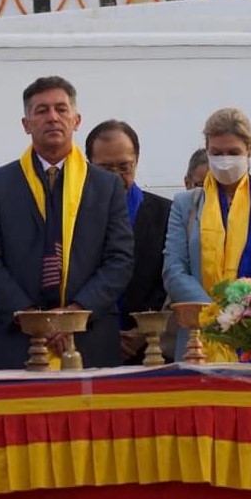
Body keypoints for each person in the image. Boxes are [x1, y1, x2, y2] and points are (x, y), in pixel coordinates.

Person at [0, 76, 135, 370]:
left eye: (61, 109)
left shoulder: (106, 186)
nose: (53, 117)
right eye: (41, 110)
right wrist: (32, 318)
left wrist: (74, 314)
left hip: (88, 337)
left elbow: (119, 260)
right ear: (26, 123)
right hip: (12, 336)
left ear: (76, 119)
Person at [163, 107, 251, 361]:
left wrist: (244, 309)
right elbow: (174, 269)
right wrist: (214, 313)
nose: (225, 160)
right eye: (217, 153)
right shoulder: (185, 204)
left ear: (249, 150)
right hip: (198, 334)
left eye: (233, 153)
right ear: (207, 150)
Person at [85, 120, 172, 363]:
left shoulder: (165, 213)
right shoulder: (74, 216)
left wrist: (144, 331)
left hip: (151, 348)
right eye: (105, 169)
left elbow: (169, 279)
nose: (116, 178)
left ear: (137, 160)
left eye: (124, 168)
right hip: (90, 344)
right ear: (88, 165)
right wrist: (104, 332)